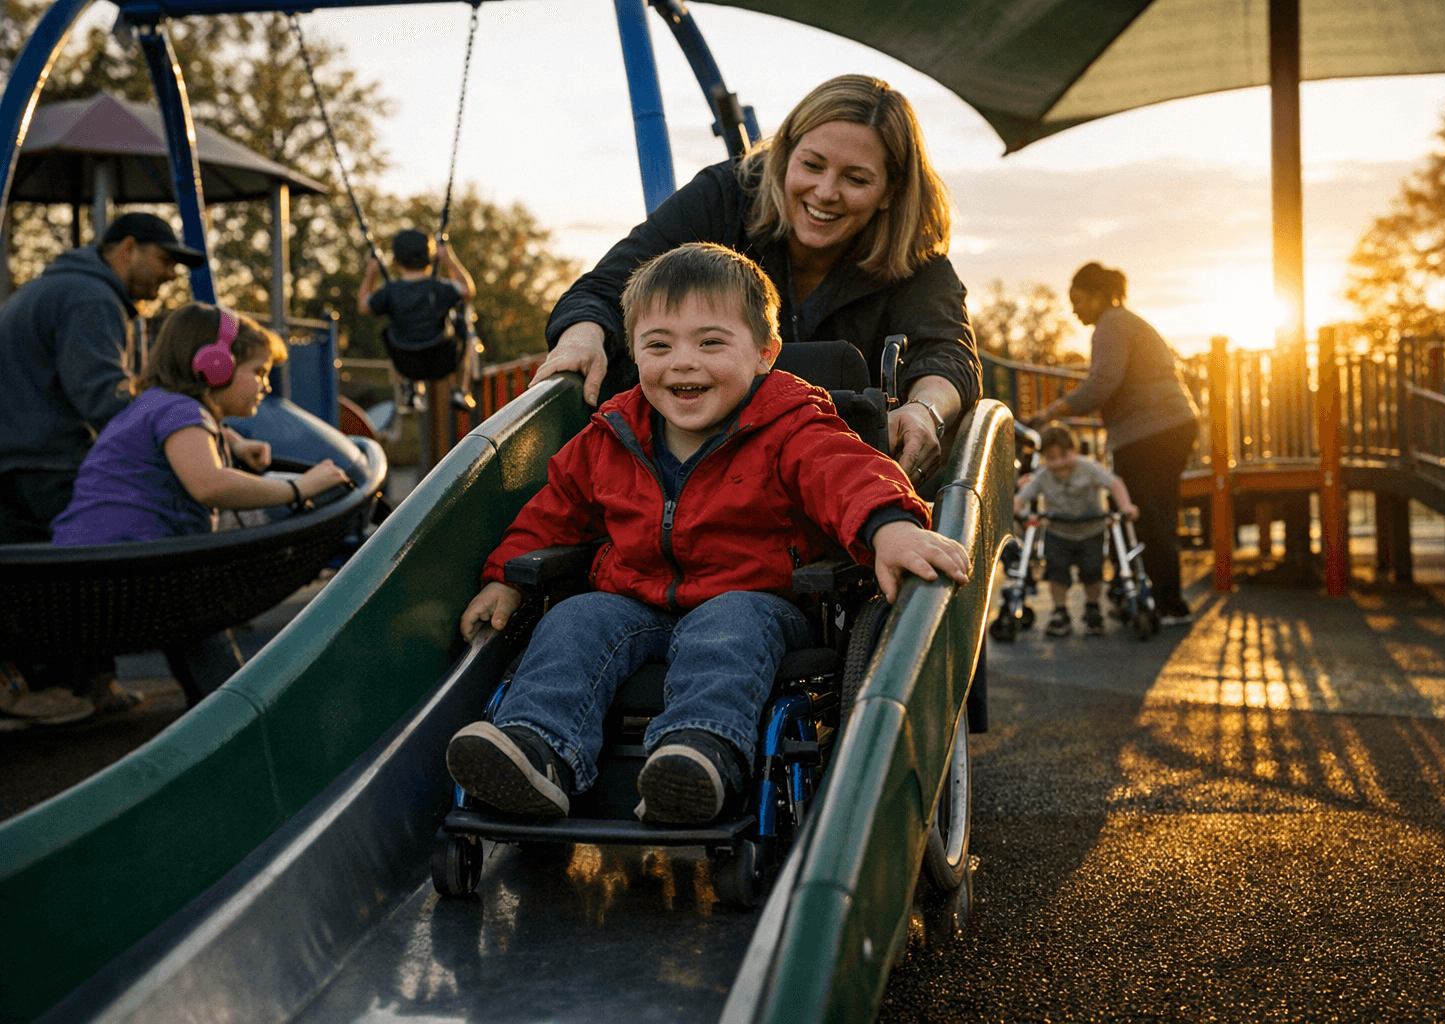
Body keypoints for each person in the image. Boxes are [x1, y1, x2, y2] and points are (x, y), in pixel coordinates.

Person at [445, 242, 971, 825]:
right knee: (573, 620)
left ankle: (698, 758)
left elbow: (846, 475)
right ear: (634, 354)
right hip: (636, 601)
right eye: (658, 346)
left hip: (758, 601)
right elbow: (555, 509)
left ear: (766, 353)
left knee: (726, 629)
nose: (682, 363)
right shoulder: (612, 432)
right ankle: (536, 749)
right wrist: (505, 578)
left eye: (711, 342)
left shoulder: (791, 425)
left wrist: (890, 528)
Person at [529, 73, 981, 488]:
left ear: (890, 193)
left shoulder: (915, 259)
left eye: (856, 178)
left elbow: (946, 354)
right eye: (812, 165)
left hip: (837, 482)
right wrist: (580, 338)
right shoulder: (725, 198)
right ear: (785, 154)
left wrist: (924, 410)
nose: (825, 192)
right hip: (694, 474)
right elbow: (607, 286)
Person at [50, 303, 352, 703]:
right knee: (198, 604)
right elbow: (208, 484)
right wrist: (299, 489)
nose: (266, 385)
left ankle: (100, 686)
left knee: (187, 592)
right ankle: (231, 709)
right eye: (258, 372)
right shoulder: (181, 411)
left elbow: (192, 437)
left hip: (92, 566)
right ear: (214, 367)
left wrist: (235, 442)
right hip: (131, 565)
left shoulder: (157, 403)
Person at [0, 212, 205, 543]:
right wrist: (185, 429)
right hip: (46, 469)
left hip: (14, 467)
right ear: (129, 249)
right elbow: (105, 398)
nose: (171, 273)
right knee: (143, 535)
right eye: (165, 260)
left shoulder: (54, 287)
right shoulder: (90, 298)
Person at [1033, 262, 1200, 625]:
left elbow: (1102, 383)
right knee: (1156, 515)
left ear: (1096, 296)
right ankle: (1155, 594)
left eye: (1078, 301)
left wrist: (1053, 412)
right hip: (1170, 424)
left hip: (1150, 432)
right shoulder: (1125, 322)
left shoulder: (1111, 325)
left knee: (1144, 516)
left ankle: (1165, 602)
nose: (1074, 310)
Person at [1014, 424, 1137, 637]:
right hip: (1057, 532)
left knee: (1092, 571)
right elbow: (1021, 497)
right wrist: (1019, 513)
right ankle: (1060, 611)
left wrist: (1126, 507)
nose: (1058, 462)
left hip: (1091, 530)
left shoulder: (1089, 467)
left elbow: (1115, 484)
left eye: (1064, 455)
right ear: (1044, 458)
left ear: (1075, 450)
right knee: (1056, 572)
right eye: (1051, 458)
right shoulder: (1043, 475)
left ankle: (1092, 608)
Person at [358, 229, 476, 393]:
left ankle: (410, 388)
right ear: (431, 260)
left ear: (396, 263)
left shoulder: (389, 292)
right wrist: (448, 259)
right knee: (462, 321)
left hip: (406, 366)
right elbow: (467, 291)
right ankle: (460, 389)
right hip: (444, 362)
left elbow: (363, 306)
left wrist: (371, 274)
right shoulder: (439, 288)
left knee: (392, 328)